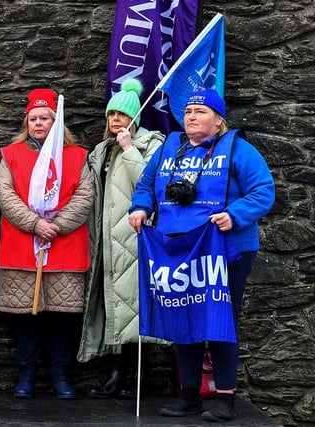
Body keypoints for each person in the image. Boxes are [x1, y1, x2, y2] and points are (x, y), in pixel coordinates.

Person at [128, 88, 275, 421]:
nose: (192, 116)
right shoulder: (169, 147)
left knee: (219, 320)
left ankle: (225, 399)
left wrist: (234, 214)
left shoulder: (238, 149)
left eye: (201, 111)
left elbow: (263, 190)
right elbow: (146, 186)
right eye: (189, 111)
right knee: (183, 318)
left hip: (226, 248)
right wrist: (139, 208)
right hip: (175, 248)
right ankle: (189, 395)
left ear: (218, 119)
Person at [0, 88, 94, 400]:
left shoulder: (78, 157)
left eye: (45, 118)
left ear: (56, 121)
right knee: (27, 314)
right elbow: (4, 194)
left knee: (61, 315)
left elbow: (85, 195)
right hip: (22, 244)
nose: (39, 123)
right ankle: (27, 372)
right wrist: (34, 223)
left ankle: (60, 372)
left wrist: (57, 225)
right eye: (33, 118)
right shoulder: (10, 155)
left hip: (65, 244)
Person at [78, 78, 165, 399]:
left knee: (135, 307)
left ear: (135, 118)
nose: (115, 119)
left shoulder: (152, 145)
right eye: (111, 114)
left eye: (122, 114)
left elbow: (151, 183)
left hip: (136, 236)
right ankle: (120, 374)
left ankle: (135, 377)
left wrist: (129, 149)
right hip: (107, 241)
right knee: (116, 307)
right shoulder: (100, 150)